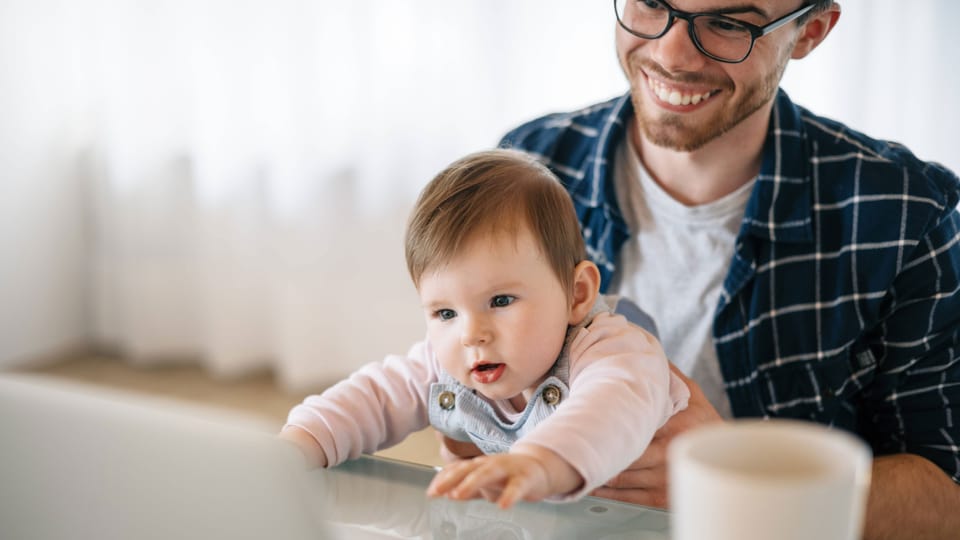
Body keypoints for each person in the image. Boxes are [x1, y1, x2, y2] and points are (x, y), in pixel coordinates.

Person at [465, 1, 960, 538]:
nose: (671, 53)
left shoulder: (905, 213)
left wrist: (734, 485)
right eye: (653, 4)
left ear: (809, 32)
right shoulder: (533, 165)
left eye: (729, 24)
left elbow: (945, 494)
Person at [280, 149, 689, 509]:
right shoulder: (444, 362)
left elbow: (608, 408)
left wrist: (538, 462)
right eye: (445, 313)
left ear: (576, 294)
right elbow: (374, 397)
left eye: (500, 302)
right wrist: (298, 446)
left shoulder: (614, 351)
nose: (471, 334)